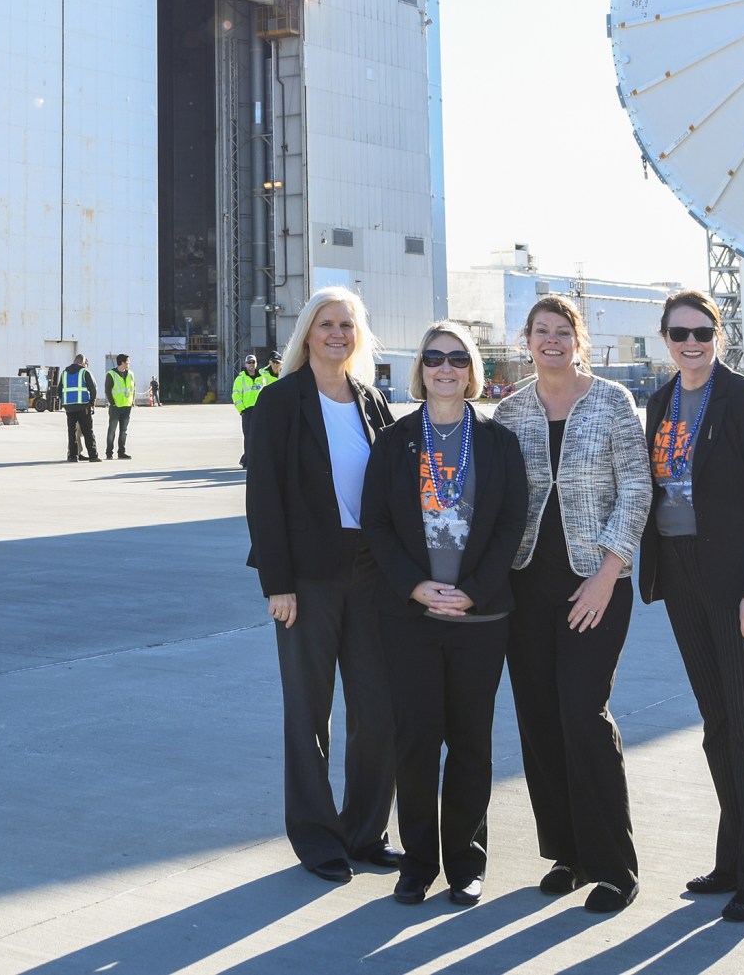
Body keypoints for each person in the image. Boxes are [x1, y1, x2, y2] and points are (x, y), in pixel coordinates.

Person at [361, 321, 528, 908]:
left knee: (470, 743)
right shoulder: (395, 440)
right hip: (411, 618)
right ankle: (418, 864)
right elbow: (376, 525)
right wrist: (415, 586)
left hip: (480, 619)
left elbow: (512, 523)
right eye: (434, 358)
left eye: (458, 358)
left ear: (472, 371)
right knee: (415, 741)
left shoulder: (498, 442)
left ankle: (465, 863)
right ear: (421, 369)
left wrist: (475, 591)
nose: (446, 368)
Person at [494, 292, 651, 914]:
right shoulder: (509, 413)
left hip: (596, 582)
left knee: (583, 714)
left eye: (562, 331)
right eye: (541, 331)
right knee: (537, 717)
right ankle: (568, 852)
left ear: (577, 339)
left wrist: (608, 573)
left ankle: (615, 866)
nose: (551, 341)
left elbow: (637, 487)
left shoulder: (612, 401)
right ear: (526, 340)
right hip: (527, 584)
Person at [639, 291, 744, 923]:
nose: (691, 342)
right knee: (718, 724)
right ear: (665, 339)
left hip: (740, 585)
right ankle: (731, 860)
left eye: (702, 331)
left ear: (718, 334)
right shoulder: (658, 401)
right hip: (682, 577)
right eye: (679, 333)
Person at [244, 287, 401, 882]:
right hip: (306, 578)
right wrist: (277, 584)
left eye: (348, 324)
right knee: (309, 712)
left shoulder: (373, 402)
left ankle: (365, 832)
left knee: (378, 709)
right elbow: (264, 498)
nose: (338, 333)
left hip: (370, 573)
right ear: (307, 333)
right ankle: (318, 839)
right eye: (327, 324)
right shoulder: (279, 402)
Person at [233, 353, 276, 468]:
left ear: (256, 364)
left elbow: (266, 393)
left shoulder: (261, 379)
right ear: (245, 364)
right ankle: (247, 459)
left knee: (260, 436)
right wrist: (241, 409)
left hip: (259, 410)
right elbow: (236, 395)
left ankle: (257, 459)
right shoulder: (240, 379)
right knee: (248, 436)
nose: (251, 365)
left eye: (253, 362)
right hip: (247, 411)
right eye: (249, 363)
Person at [62, 354, 99, 464]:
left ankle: (73, 456)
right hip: (83, 406)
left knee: (72, 433)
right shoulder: (85, 372)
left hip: (69, 408)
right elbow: (93, 388)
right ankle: (93, 456)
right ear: (83, 363)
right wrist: (92, 403)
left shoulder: (64, 373)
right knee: (88, 431)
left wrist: (65, 403)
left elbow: (59, 389)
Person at [105, 354, 136, 461]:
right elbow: (108, 390)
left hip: (127, 406)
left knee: (124, 431)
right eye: (127, 361)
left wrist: (132, 401)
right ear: (122, 362)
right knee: (112, 430)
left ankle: (121, 452)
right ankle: (109, 453)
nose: (129, 363)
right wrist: (112, 403)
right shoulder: (111, 374)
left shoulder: (131, 374)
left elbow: (133, 388)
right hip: (115, 407)